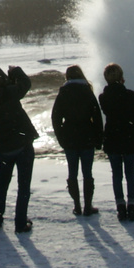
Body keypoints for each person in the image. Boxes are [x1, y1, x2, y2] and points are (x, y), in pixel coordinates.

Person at [0, 63, 37, 232]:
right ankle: (20, 222)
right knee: (24, 186)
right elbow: (25, 84)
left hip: (4, 146)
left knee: (2, 184)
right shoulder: (9, 92)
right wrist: (16, 71)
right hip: (22, 143)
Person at [51, 64, 102, 217]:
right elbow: (97, 117)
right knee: (87, 173)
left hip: (70, 137)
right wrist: (98, 138)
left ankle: (77, 205)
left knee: (72, 173)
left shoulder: (63, 92)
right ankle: (88, 206)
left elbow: (55, 117)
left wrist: (61, 136)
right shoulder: (87, 91)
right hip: (87, 136)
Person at [99, 63, 134, 221]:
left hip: (113, 139)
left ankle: (120, 207)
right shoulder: (131, 95)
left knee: (117, 175)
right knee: (130, 174)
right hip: (129, 139)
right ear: (121, 77)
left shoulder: (103, 97)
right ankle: (132, 207)